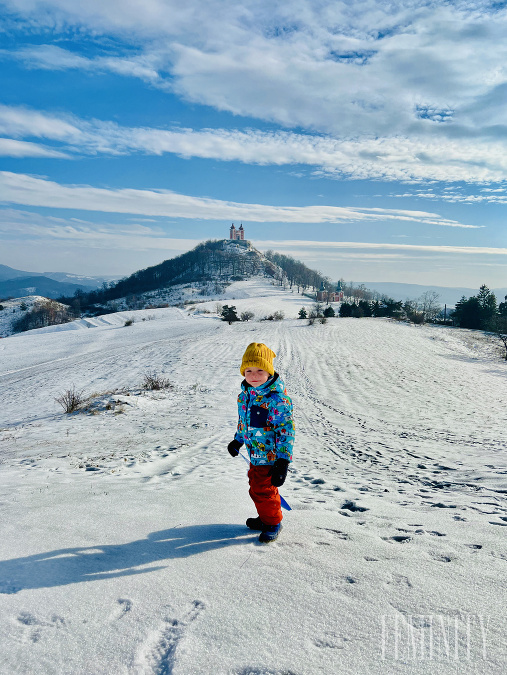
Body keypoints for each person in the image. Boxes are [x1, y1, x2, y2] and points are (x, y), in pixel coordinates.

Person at [227, 342, 295, 543]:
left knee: (263, 489)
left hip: (271, 457)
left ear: (269, 372)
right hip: (254, 455)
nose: (253, 375)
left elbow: (286, 431)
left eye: (260, 370)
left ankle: (273, 522)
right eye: (248, 370)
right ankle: (266, 517)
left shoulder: (277, 399)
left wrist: (282, 461)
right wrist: (237, 441)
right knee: (256, 487)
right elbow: (244, 423)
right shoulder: (245, 396)